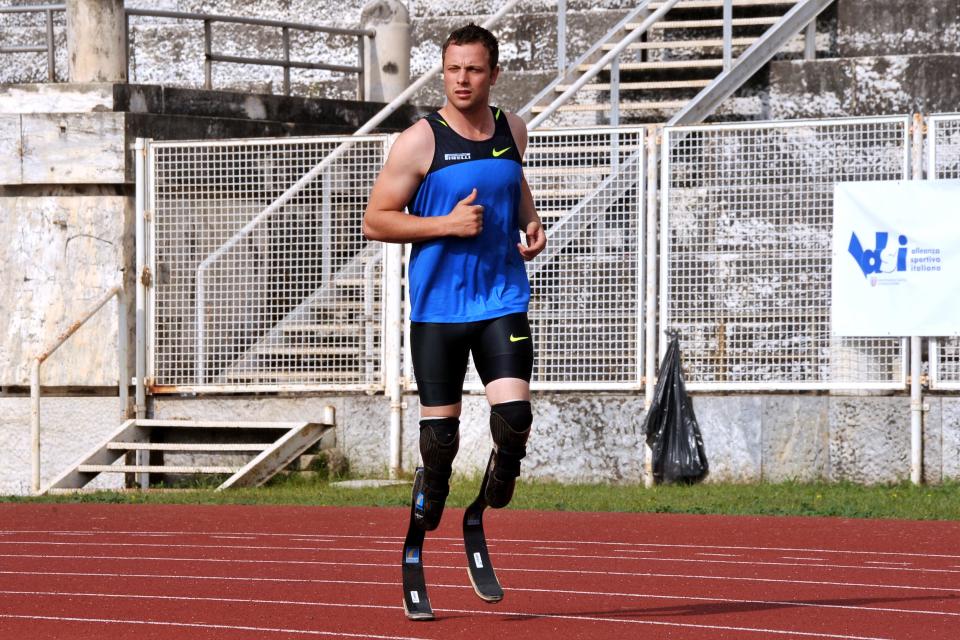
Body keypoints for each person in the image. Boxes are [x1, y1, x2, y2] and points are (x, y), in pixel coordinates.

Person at [363, 23, 546, 531]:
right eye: (452, 69)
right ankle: (431, 499)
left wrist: (529, 220)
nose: (461, 80)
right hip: (439, 308)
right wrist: (447, 224)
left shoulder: (514, 128)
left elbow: (514, 182)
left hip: (500, 298)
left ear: (493, 74)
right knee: (440, 440)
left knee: (515, 420)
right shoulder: (420, 140)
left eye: (473, 70)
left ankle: (496, 482)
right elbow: (375, 219)